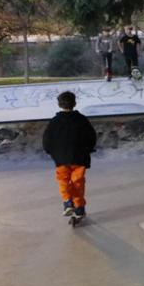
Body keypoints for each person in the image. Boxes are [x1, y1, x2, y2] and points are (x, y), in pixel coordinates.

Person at [42, 91, 97, 219]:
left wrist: (49, 151)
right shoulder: (82, 120)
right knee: (78, 183)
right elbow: (91, 136)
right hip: (79, 158)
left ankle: (68, 202)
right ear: (75, 103)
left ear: (59, 104)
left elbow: (47, 139)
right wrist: (88, 149)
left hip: (61, 158)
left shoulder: (54, 122)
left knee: (63, 180)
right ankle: (79, 208)